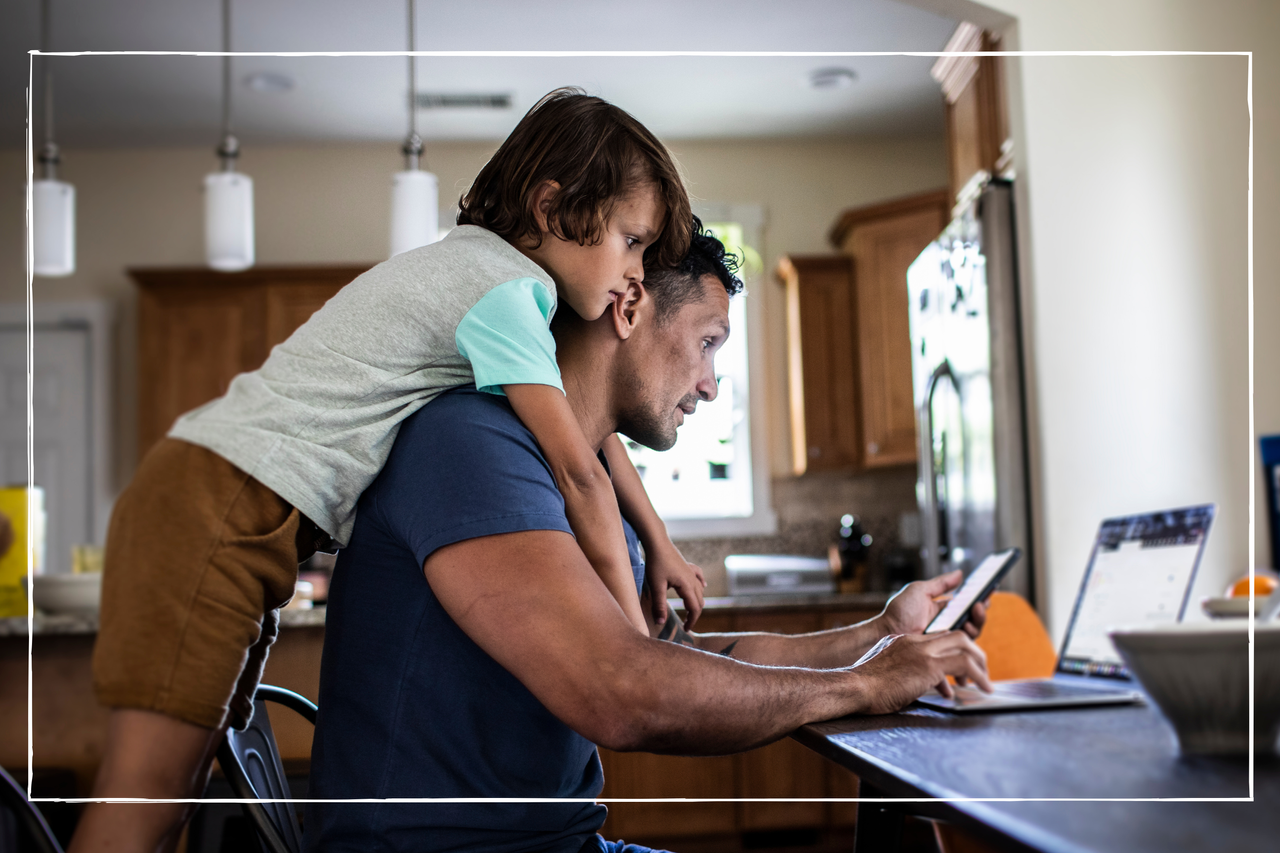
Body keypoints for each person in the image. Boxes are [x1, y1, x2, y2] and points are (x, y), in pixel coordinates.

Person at [71, 89, 708, 853]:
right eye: (632, 242)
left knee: (172, 801)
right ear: (550, 206)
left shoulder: (488, 279)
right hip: (215, 505)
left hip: (227, 506)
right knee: (147, 805)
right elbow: (579, 474)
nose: (636, 273)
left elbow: (585, 436)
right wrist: (634, 649)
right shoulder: (507, 294)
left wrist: (658, 539)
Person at [304, 226, 991, 852]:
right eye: (708, 342)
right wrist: (863, 684)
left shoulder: (589, 469)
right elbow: (624, 688)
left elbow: (673, 658)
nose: (711, 386)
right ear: (628, 308)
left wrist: (879, 636)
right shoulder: (470, 443)